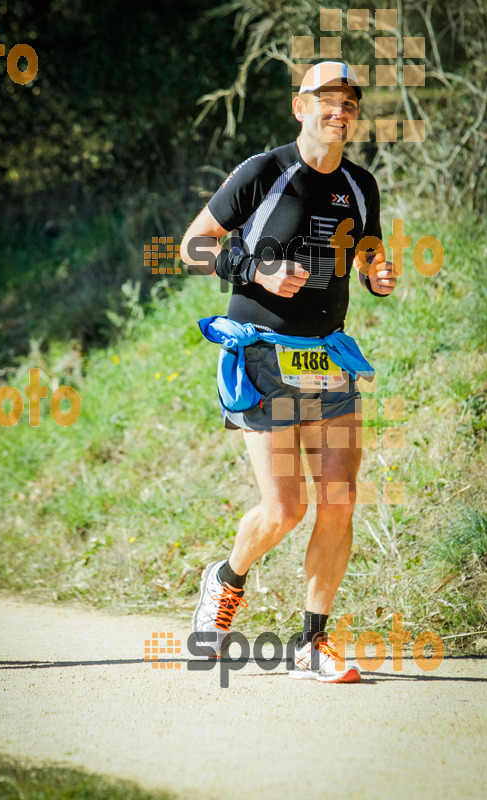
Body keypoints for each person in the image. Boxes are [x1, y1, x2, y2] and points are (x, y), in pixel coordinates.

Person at [180, 61, 397, 682]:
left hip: (328, 359)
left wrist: (376, 275)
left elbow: (368, 249)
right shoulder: (263, 172)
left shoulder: (360, 184)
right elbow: (193, 246)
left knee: (340, 499)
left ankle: (313, 639)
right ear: (300, 107)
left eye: (350, 100)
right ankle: (225, 581)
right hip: (263, 359)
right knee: (284, 511)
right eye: (327, 99)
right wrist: (257, 272)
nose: (341, 109)